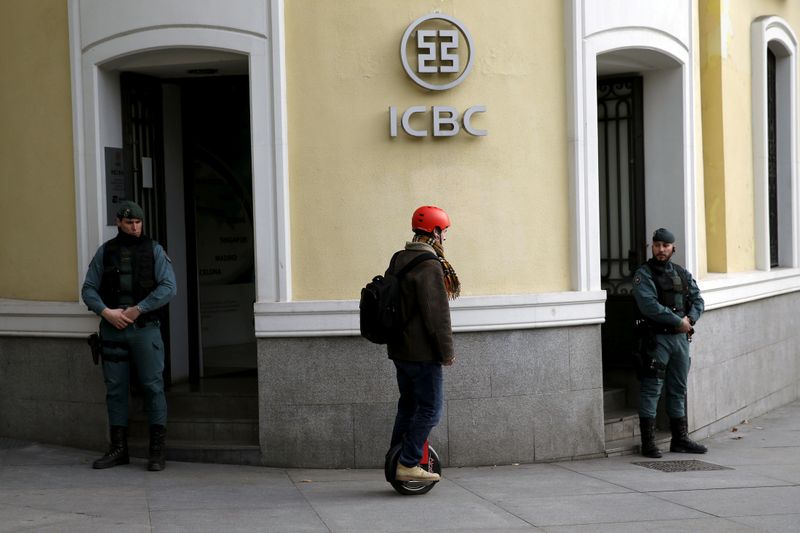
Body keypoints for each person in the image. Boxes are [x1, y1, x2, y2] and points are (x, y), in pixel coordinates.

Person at [81, 201, 176, 471]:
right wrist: (106, 312)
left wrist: (138, 309)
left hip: (144, 329)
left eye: (138, 222)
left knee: (152, 386)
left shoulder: (154, 250)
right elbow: (88, 289)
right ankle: (119, 449)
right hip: (112, 328)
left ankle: (157, 451)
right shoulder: (105, 252)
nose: (135, 227)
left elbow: (169, 287)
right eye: (129, 223)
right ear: (119, 223)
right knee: (116, 390)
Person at [388, 205, 460, 482]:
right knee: (430, 409)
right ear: (436, 231)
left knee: (408, 406)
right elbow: (436, 315)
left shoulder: (399, 258)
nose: (445, 238)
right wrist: (447, 352)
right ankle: (407, 462)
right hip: (422, 353)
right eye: (444, 232)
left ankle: (395, 456)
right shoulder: (430, 265)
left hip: (400, 350)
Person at [633, 227, 706, 458]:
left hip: (680, 341)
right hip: (658, 340)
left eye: (665, 246)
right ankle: (648, 443)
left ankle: (680, 439)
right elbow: (649, 306)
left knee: (678, 389)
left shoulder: (682, 273)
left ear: (674, 248)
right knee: (652, 389)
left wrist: (690, 319)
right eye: (657, 245)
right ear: (651, 247)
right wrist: (679, 321)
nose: (661, 250)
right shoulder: (643, 275)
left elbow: (698, 299)